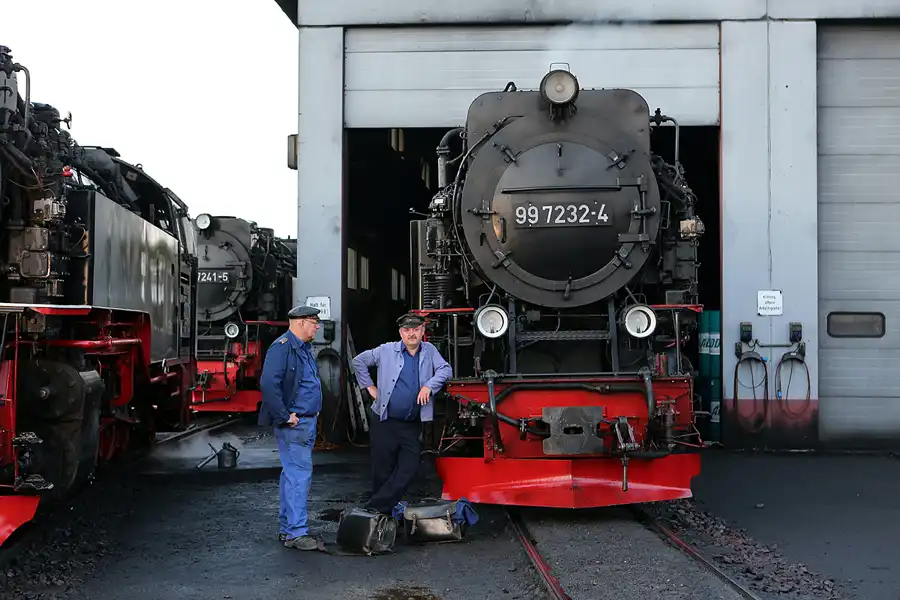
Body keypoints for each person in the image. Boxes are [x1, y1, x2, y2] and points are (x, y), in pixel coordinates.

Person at [351, 312, 453, 515]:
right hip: (385, 421)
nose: (411, 334)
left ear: (423, 331)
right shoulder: (386, 350)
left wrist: (429, 386)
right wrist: (370, 388)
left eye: (416, 329)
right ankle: (381, 518)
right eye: (407, 330)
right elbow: (358, 361)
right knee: (382, 470)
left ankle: (374, 508)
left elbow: (446, 369)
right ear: (401, 333)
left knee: (408, 468)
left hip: (411, 423)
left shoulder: (430, 351)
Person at [258, 305, 323, 551]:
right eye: (313, 321)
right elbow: (268, 383)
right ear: (300, 323)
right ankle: (296, 532)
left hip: (305, 422)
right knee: (298, 476)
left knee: (292, 475)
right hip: (295, 424)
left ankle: (288, 528)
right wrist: (284, 416)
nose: (317, 326)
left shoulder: (303, 348)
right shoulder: (283, 348)